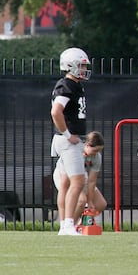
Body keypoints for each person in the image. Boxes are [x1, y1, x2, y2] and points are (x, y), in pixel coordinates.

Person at [50, 47, 92, 236]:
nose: (83, 70)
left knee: (67, 183)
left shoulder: (75, 85)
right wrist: (67, 134)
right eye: (81, 66)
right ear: (70, 66)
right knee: (78, 181)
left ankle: (64, 224)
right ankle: (67, 225)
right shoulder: (66, 85)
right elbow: (55, 111)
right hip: (68, 141)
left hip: (67, 140)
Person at [53, 131, 107, 225]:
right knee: (81, 200)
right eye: (95, 150)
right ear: (87, 145)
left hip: (81, 176)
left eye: (99, 151)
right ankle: (70, 226)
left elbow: (91, 181)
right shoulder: (75, 152)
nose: (96, 153)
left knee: (100, 204)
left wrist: (90, 202)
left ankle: (81, 224)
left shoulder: (97, 157)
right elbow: (68, 176)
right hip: (64, 175)